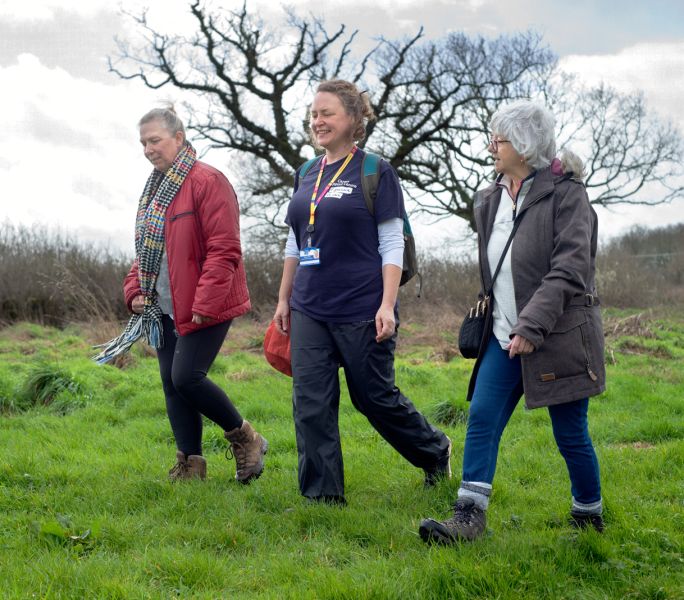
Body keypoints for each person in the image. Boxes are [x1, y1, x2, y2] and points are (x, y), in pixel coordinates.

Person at [419, 100, 606, 544]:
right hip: (502, 335)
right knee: (482, 416)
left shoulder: (567, 195)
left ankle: (588, 514)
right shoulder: (488, 199)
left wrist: (532, 325)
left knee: (569, 432)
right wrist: (509, 323)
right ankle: (468, 516)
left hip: (558, 335)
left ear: (523, 146)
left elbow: (570, 269)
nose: (490, 147)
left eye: (498, 139)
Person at [273, 79, 451, 505]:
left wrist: (388, 304)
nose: (317, 121)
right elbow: (296, 241)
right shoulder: (306, 173)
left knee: (373, 398)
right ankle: (322, 499)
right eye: (314, 114)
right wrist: (283, 298)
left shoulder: (375, 171)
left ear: (353, 119)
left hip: (361, 305)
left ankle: (434, 451)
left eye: (327, 113)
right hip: (309, 305)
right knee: (310, 402)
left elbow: (391, 242)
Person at [95, 106, 268, 484]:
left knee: (187, 377)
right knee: (172, 385)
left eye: (154, 140)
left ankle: (247, 438)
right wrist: (135, 291)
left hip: (205, 304)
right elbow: (146, 254)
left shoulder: (208, 181)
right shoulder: (155, 190)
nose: (147, 149)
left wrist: (204, 303)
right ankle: (191, 465)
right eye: (143, 142)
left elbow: (225, 249)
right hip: (164, 309)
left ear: (178, 137)